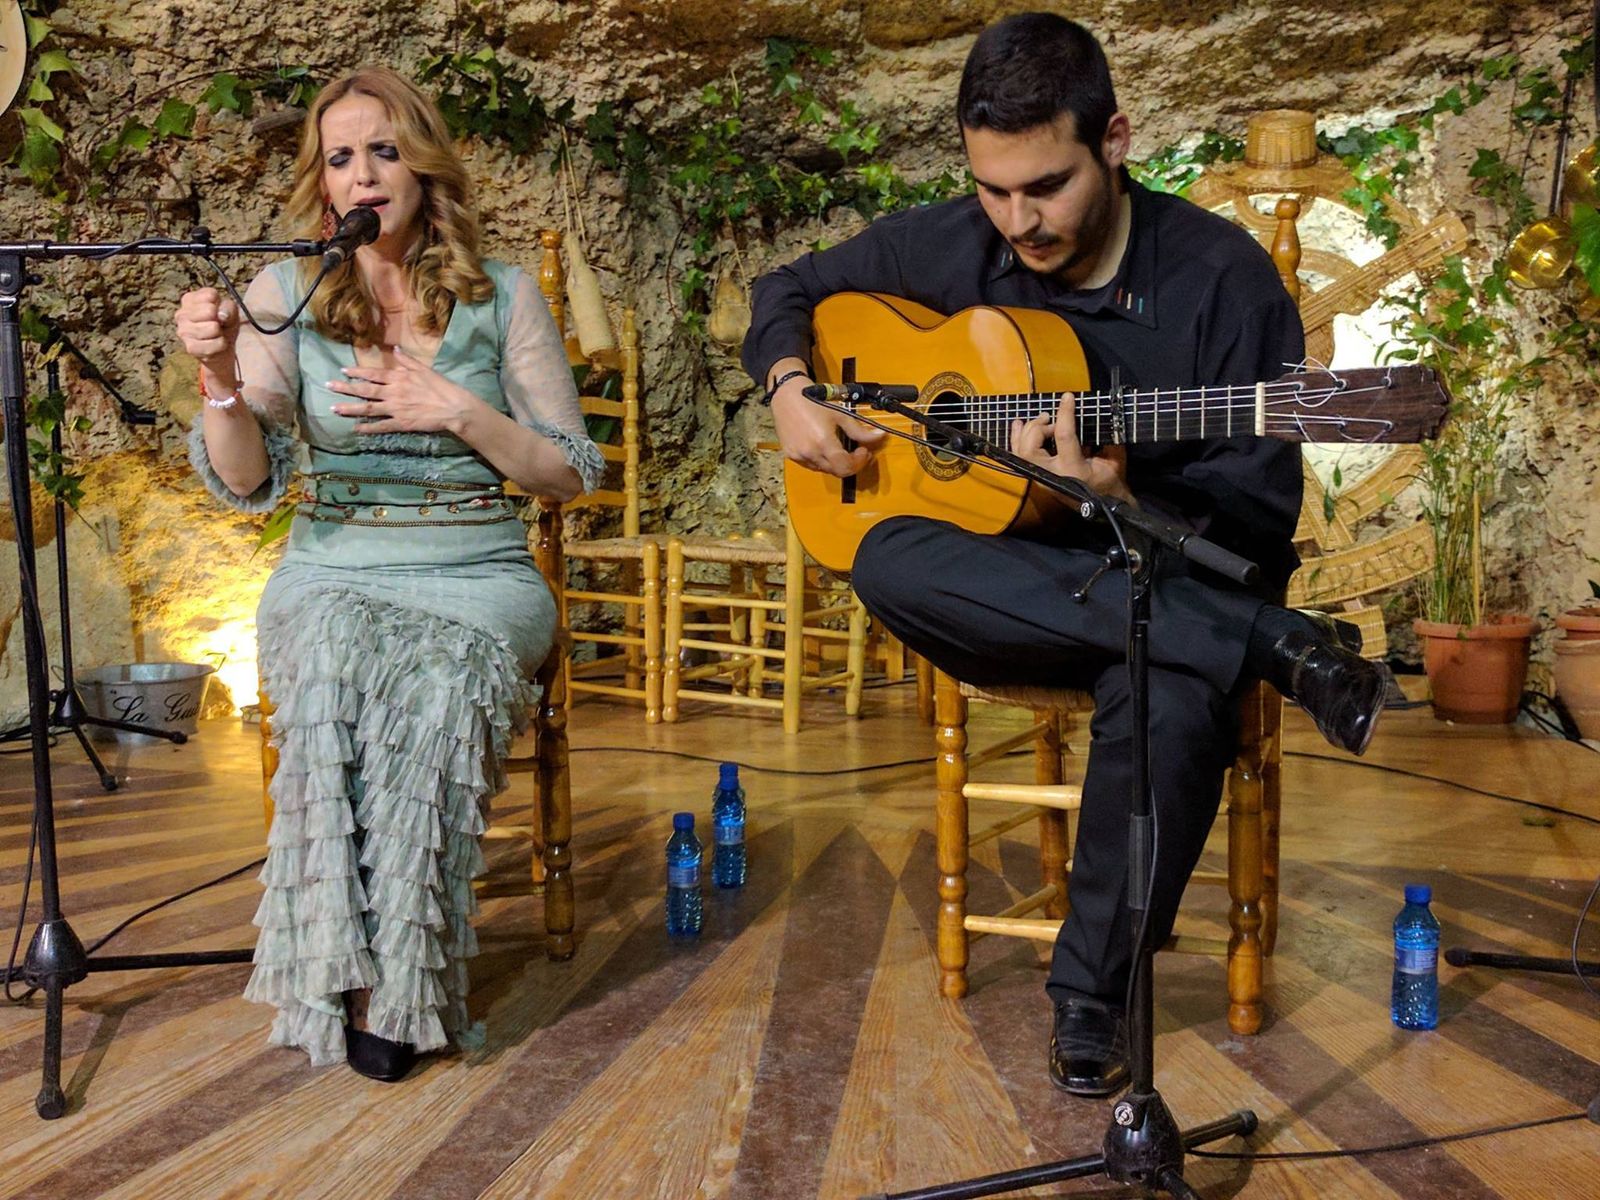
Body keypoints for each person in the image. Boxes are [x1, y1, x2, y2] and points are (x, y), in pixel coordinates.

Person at [743, 13, 1390, 1098]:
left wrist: (1121, 496)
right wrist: (790, 390)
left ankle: (1092, 997)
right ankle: (1274, 649)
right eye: (993, 190)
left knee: (1172, 682)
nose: (1016, 221)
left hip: (1168, 581)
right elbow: (786, 291)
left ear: (1115, 140)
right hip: (1007, 593)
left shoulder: (1222, 280)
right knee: (888, 558)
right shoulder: (960, 241)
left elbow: (1255, 525)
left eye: (1043, 187)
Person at [175, 66, 602, 1082]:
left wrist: (454, 407)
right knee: (325, 667)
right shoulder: (285, 293)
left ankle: (406, 981)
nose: (361, 176)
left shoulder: (503, 294)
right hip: (333, 562)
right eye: (338, 159)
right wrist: (221, 380)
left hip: (477, 567)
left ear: (422, 162)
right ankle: (357, 978)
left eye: (381, 151)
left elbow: (569, 473)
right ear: (319, 186)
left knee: (440, 683)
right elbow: (249, 487)